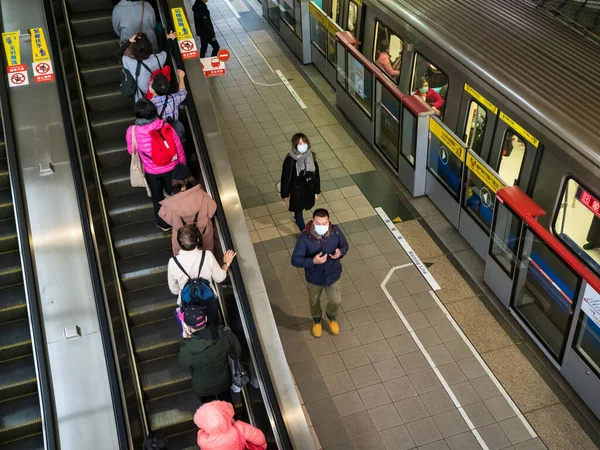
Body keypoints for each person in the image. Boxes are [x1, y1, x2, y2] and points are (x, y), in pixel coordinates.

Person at [126, 98, 186, 231]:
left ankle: (163, 223)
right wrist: (182, 165)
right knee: (174, 194)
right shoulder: (166, 126)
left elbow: (132, 150)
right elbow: (178, 147)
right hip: (172, 167)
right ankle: (179, 220)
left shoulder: (133, 131)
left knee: (157, 197)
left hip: (152, 172)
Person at [291, 208, 349, 338]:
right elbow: (295, 260)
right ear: (313, 222)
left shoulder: (336, 231)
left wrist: (340, 252)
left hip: (333, 275)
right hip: (314, 278)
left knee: (336, 300)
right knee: (314, 301)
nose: (321, 226)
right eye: (318, 223)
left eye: (324, 223)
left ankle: (330, 316)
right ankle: (317, 320)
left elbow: (345, 245)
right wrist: (313, 261)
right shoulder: (304, 238)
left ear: (328, 222)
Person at [168, 225, 236, 324]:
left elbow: (174, 290)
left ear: (178, 243)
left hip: (187, 305)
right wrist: (226, 263)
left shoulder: (173, 262)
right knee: (212, 321)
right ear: (198, 240)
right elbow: (220, 278)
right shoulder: (207, 255)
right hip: (208, 300)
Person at [179, 306, 242, 403]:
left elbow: (184, 368)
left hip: (203, 388)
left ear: (188, 327)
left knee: (211, 411)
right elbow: (236, 353)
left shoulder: (187, 349)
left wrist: (185, 341)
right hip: (224, 382)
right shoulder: (225, 335)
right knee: (227, 404)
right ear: (206, 319)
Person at [159, 163, 217, 255]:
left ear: (173, 182)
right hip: (204, 237)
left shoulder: (169, 205)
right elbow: (211, 212)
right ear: (191, 179)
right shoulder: (203, 196)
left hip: (183, 242)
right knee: (206, 258)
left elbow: (168, 220)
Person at [116, 31, 177, 100]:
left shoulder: (131, 63)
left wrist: (129, 41)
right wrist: (170, 39)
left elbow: (118, 54)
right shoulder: (158, 58)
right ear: (150, 47)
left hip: (143, 100)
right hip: (159, 97)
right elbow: (167, 50)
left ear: (133, 52)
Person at [280, 133, 321, 232]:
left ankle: (298, 218)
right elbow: (285, 178)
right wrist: (285, 193)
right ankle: (305, 233)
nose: (303, 145)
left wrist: (316, 190)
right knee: (299, 212)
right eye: (299, 143)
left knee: (301, 209)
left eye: (304, 142)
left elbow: (316, 175)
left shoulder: (311, 156)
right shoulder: (290, 159)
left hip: (308, 190)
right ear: (295, 145)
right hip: (296, 191)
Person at [193, 400, 267, 450]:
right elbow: (258, 437)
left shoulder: (202, 440)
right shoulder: (239, 427)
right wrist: (263, 446)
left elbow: (201, 432)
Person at [149, 70, 188, 141]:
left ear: (152, 90)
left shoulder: (148, 105)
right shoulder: (173, 98)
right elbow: (183, 93)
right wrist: (181, 77)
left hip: (161, 138)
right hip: (175, 135)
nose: (150, 83)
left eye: (151, 83)